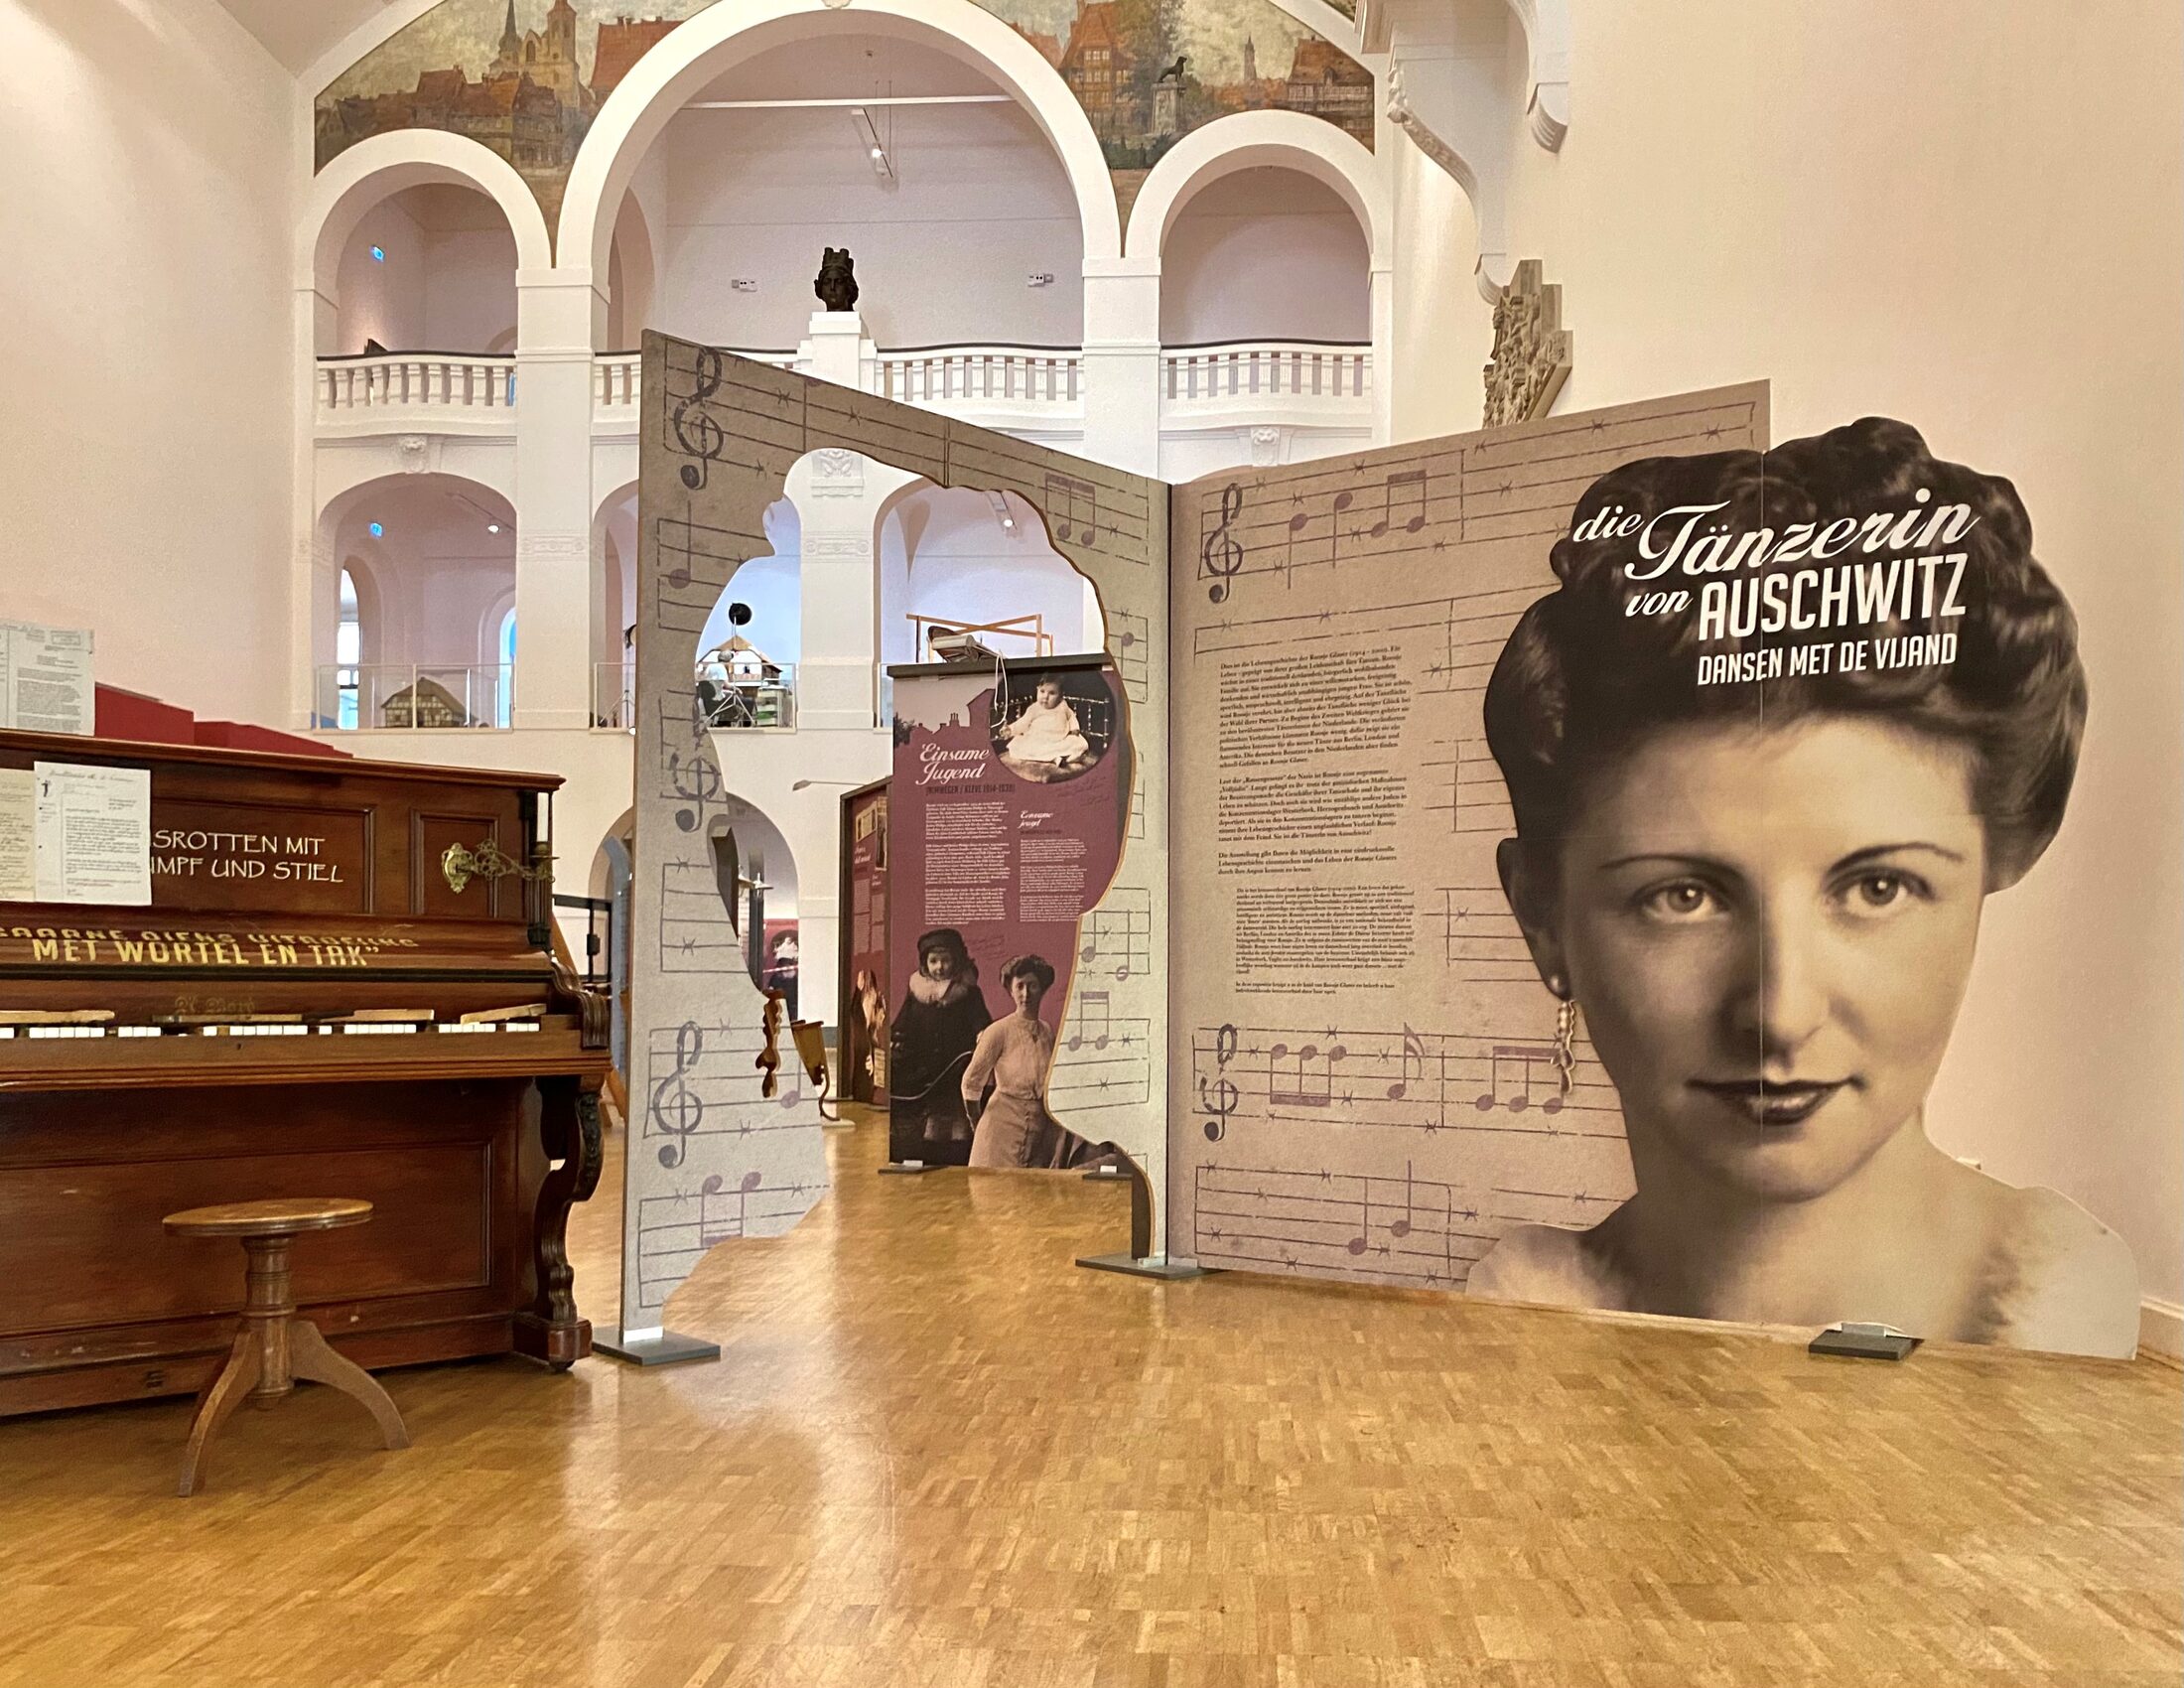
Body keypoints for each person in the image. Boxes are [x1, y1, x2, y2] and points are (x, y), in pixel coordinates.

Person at [1466, 417, 2139, 1358]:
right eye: (1683, 897)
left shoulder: (2047, 1313)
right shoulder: (1530, 1310)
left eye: (1876, 888)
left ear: (1997, 866)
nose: (1779, 1015)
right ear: (1542, 918)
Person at [963, 953, 1091, 1169]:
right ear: (1011, 990)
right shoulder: (998, 1031)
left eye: (1032, 985)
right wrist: (978, 1124)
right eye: (1019, 986)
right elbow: (970, 1083)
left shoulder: (1047, 1031)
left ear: (1042, 989)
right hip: (999, 1134)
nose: (1026, 993)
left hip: (1037, 1135)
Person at [889, 928, 989, 1158]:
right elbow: (905, 1021)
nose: (940, 967)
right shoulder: (917, 992)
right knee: (933, 1109)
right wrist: (897, 1039)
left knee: (957, 1109)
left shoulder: (968, 992)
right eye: (933, 961)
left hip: (957, 1062)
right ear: (925, 963)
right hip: (926, 1065)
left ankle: (958, 1148)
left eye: (946, 960)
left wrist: (982, 1033)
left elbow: (980, 1019)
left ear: (957, 960)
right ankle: (932, 1149)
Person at [998, 675, 1089, 768]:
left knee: (1078, 742)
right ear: (1037, 689)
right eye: (1042, 691)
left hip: (1059, 740)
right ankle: (1056, 759)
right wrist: (1010, 729)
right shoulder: (1034, 709)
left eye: (1052, 693)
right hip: (1038, 740)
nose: (1045, 696)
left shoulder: (1063, 706)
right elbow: (1023, 723)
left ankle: (1067, 758)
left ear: (1061, 696)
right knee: (1020, 747)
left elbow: (1071, 717)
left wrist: (1074, 728)